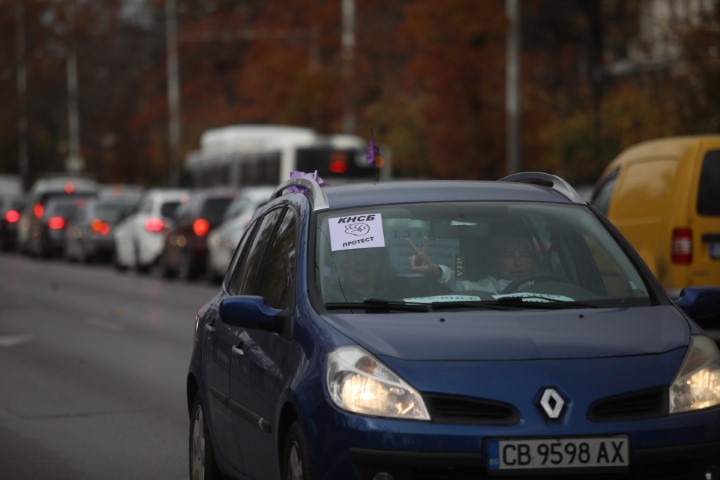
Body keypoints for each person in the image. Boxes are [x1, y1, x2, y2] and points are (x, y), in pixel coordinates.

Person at [407, 233, 535, 294]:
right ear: (495, 261)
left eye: (524, 256)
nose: (518, 262)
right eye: (508, 256)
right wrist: (435, 270)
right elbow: (458, 283)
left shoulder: (548, 289)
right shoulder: (488, 288)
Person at [325, 246, 412, 302]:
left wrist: (426, 271)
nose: (362, 261)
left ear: (381, 263)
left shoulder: (400, 288)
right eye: (356, 254)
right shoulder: (326, 293)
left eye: (371, 255)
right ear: (343, 261)